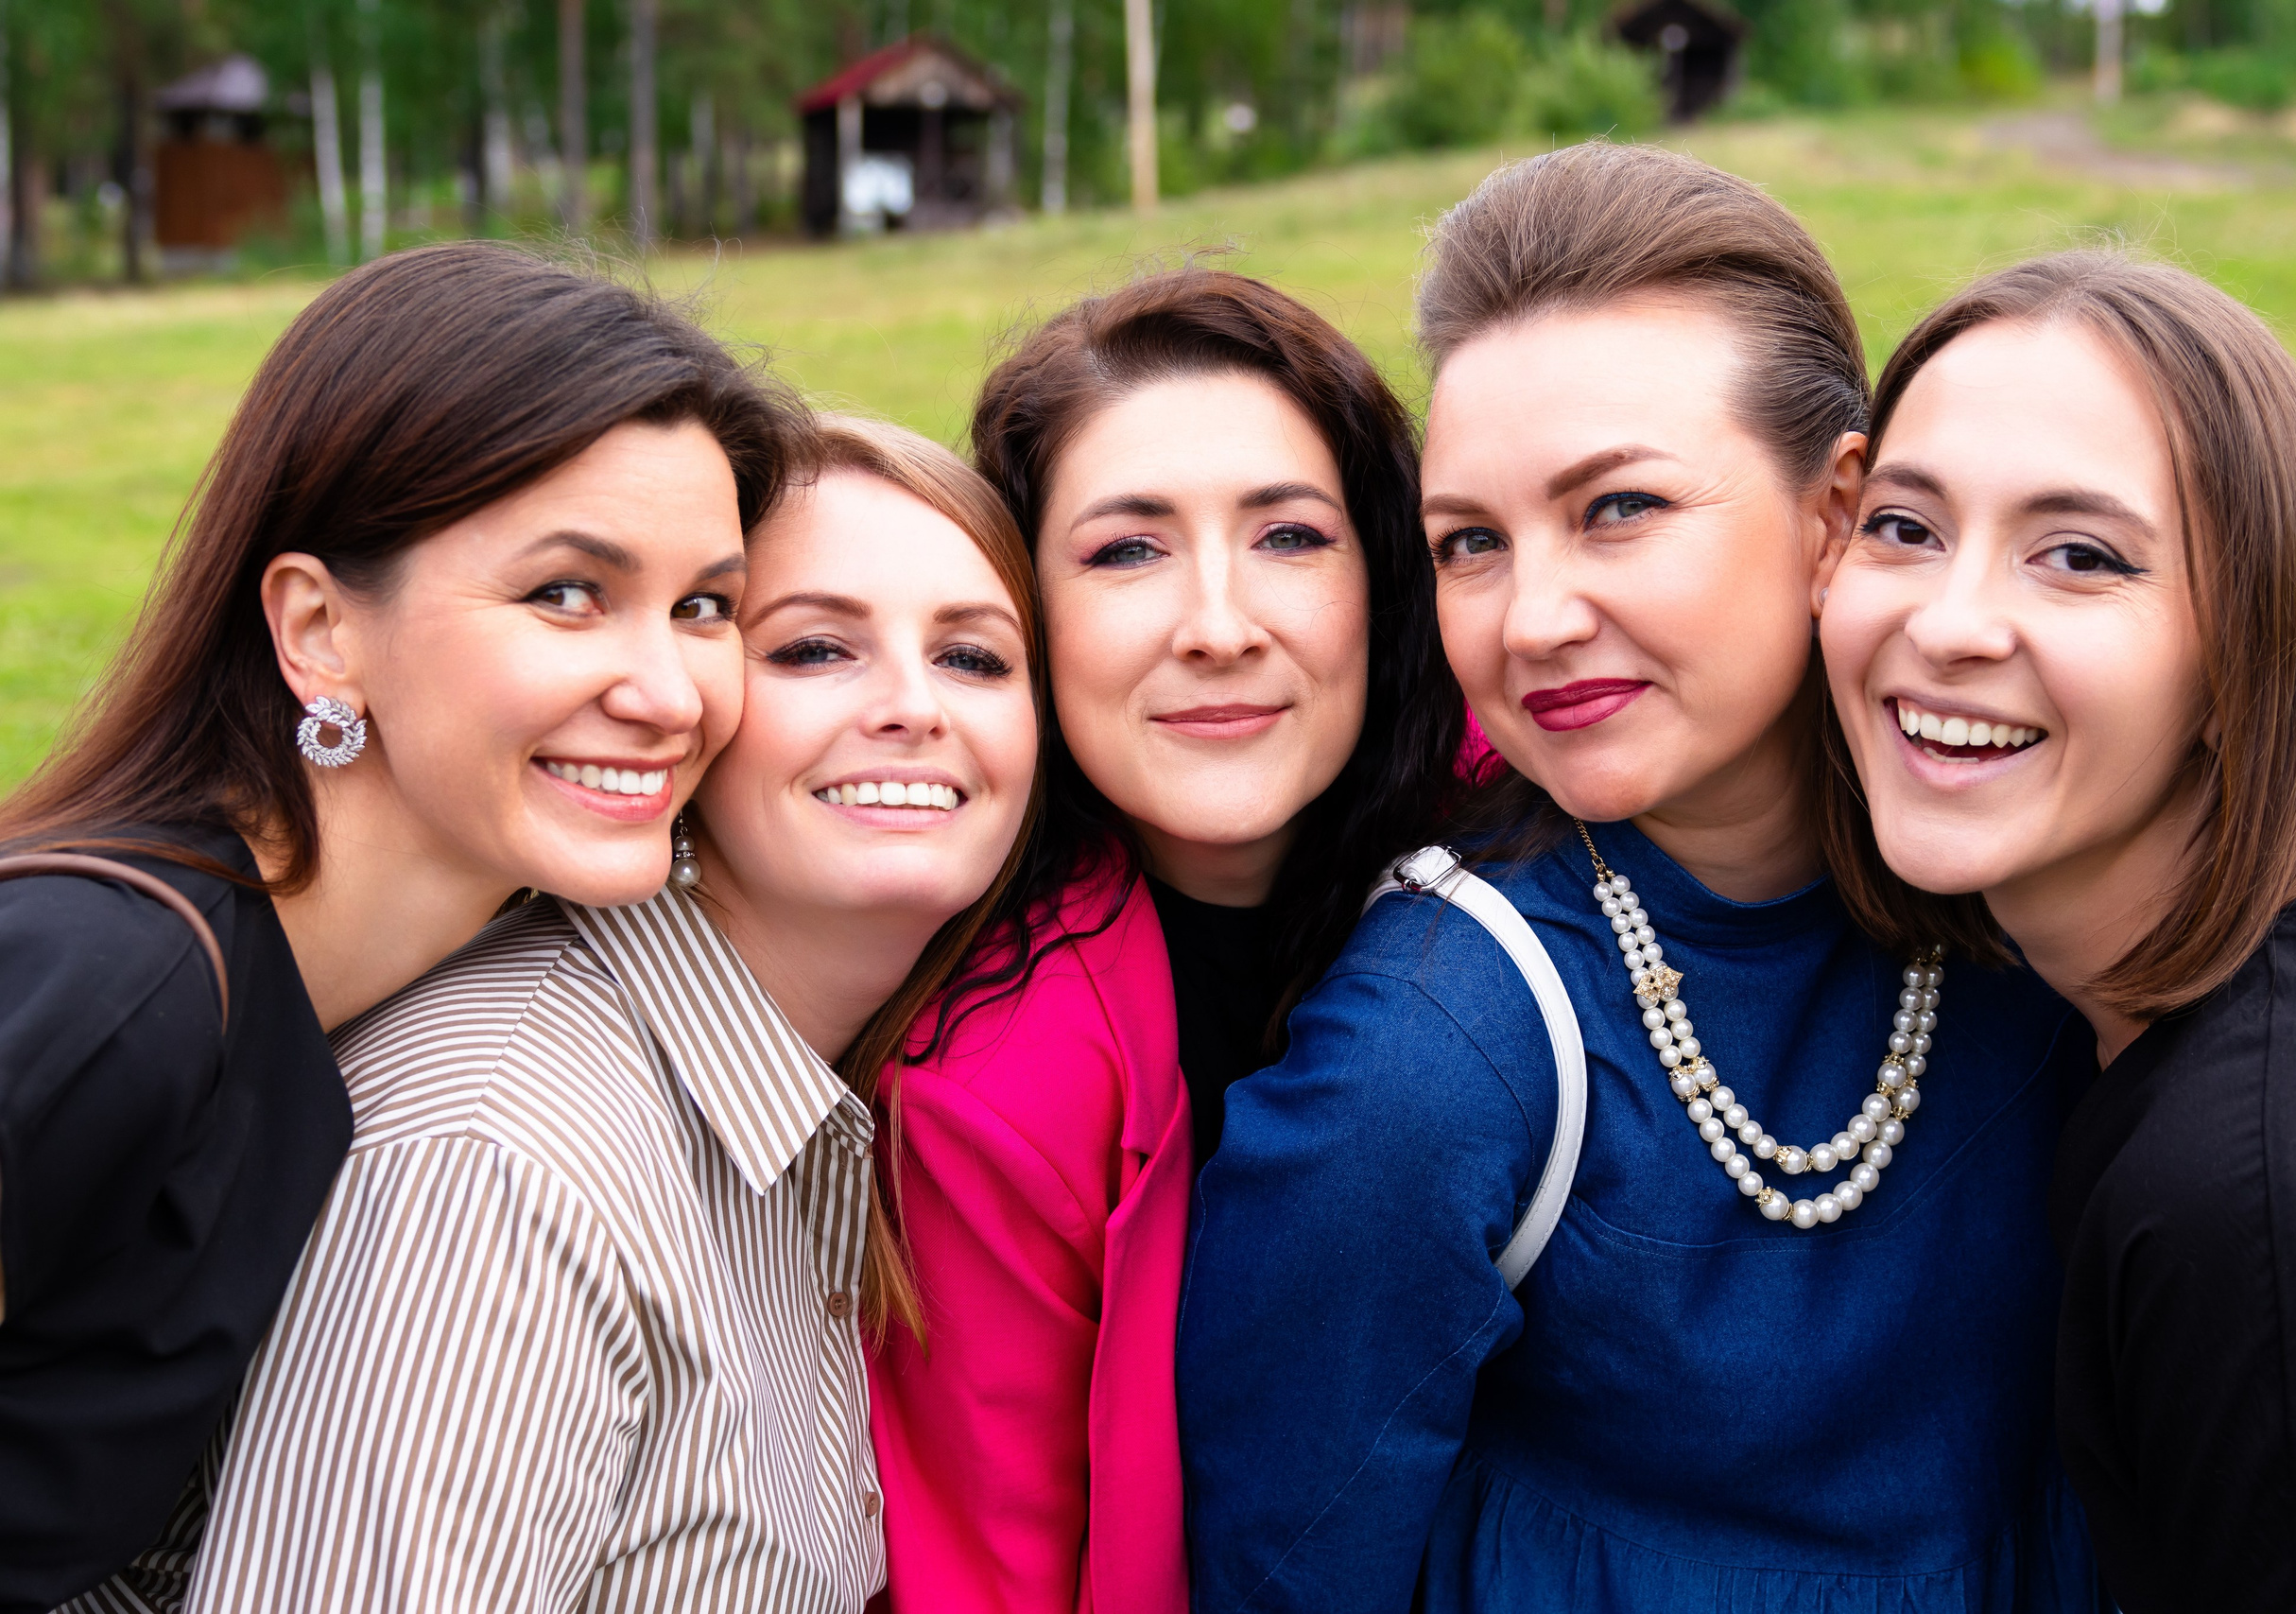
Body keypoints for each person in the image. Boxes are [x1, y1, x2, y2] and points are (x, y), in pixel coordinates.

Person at [1179, 143, 2108, 1612]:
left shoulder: (2050, 896)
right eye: (1470, 542)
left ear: (1836, 511)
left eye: (1617, 507)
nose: (1533, 617)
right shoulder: (1425, 1065)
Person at [0, 240, 798, 1614]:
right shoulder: (112, 992)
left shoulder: (335, 1006)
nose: (671, 692)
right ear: (320, 629)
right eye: (566, 593)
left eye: (704, 607)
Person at [174, 416, 1043, 1610]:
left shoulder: (818, 1111)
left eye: (975, 658)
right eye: (812, 649)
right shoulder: (503, 1166)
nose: (912, 706)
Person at [1817, 250, 2296, 1613]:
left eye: (2080, 557)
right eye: (1904, 527)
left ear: (2246, 645)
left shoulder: (2259, 1198)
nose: (1949, 622)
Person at [858, 269, 1463, 1614]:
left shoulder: (1537, 838)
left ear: (1385, 576)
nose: (1219, 627)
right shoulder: (990, 1092)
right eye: (1127, 551)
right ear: (1025, 613)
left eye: (1290, 537)